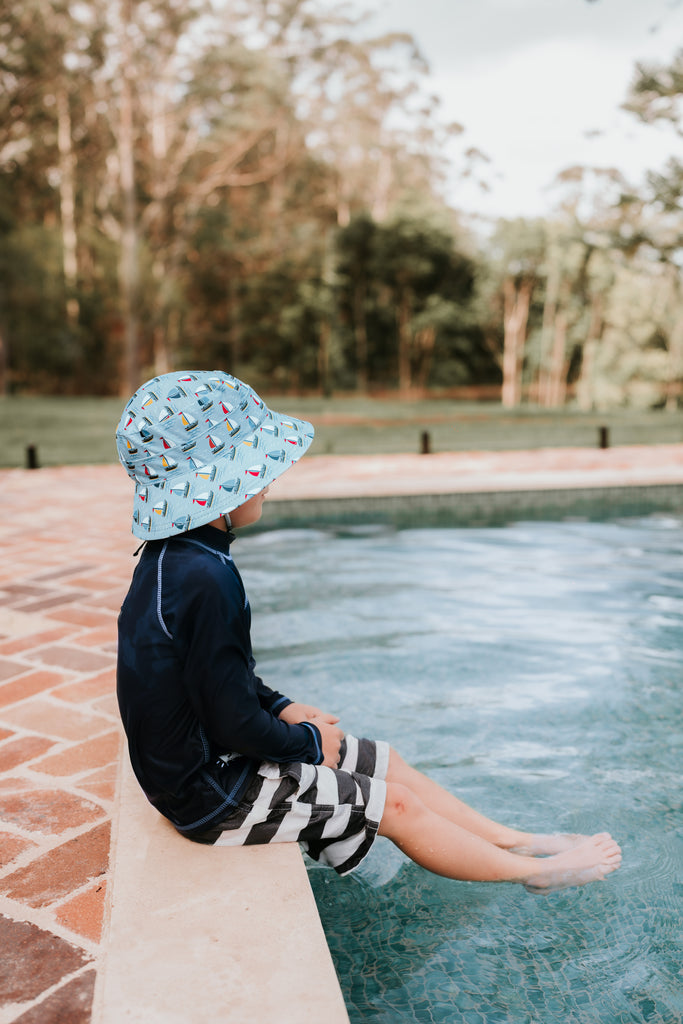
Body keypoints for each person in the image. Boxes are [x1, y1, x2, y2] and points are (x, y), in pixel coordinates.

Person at [116, 369, 622, 892]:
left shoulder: (178, 559)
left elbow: (213, 679)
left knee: (387, 763)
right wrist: (308, 742)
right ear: (217, 489)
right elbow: (230, 722)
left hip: (202, 768)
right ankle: (538, 873)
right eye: (255, 469)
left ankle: (516, 840)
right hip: (212, 794)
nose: (270, 480)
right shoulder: (206, 579)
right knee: (395, 805)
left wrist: (283, 708)